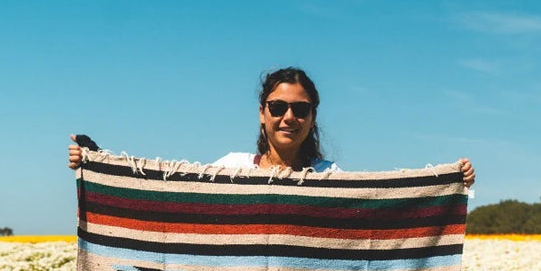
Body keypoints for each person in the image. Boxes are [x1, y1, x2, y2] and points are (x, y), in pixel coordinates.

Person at [68, 67, 475, 187]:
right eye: (278, 107)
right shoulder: (231, 167)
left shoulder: (329, 177)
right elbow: (170, 197)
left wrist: (451, 184)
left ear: (312, 117)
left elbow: (377, 221)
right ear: (262, 113)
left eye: (300, 109)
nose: (289, 118)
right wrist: (98, 164)